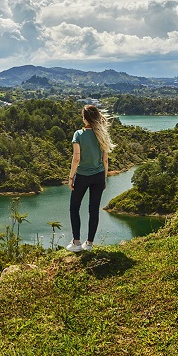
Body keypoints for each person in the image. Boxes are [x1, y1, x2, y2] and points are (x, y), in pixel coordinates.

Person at [66, 105, 115, 252]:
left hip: (82, 176)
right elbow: (105, 160)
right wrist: (104, 178)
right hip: (99, 176)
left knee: (74, 208)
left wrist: (70, 178)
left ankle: (76, 243)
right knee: (93, 210)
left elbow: (76, 159)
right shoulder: (102, 135)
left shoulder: (78, 134)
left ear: (85, 118)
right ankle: (89, 244)